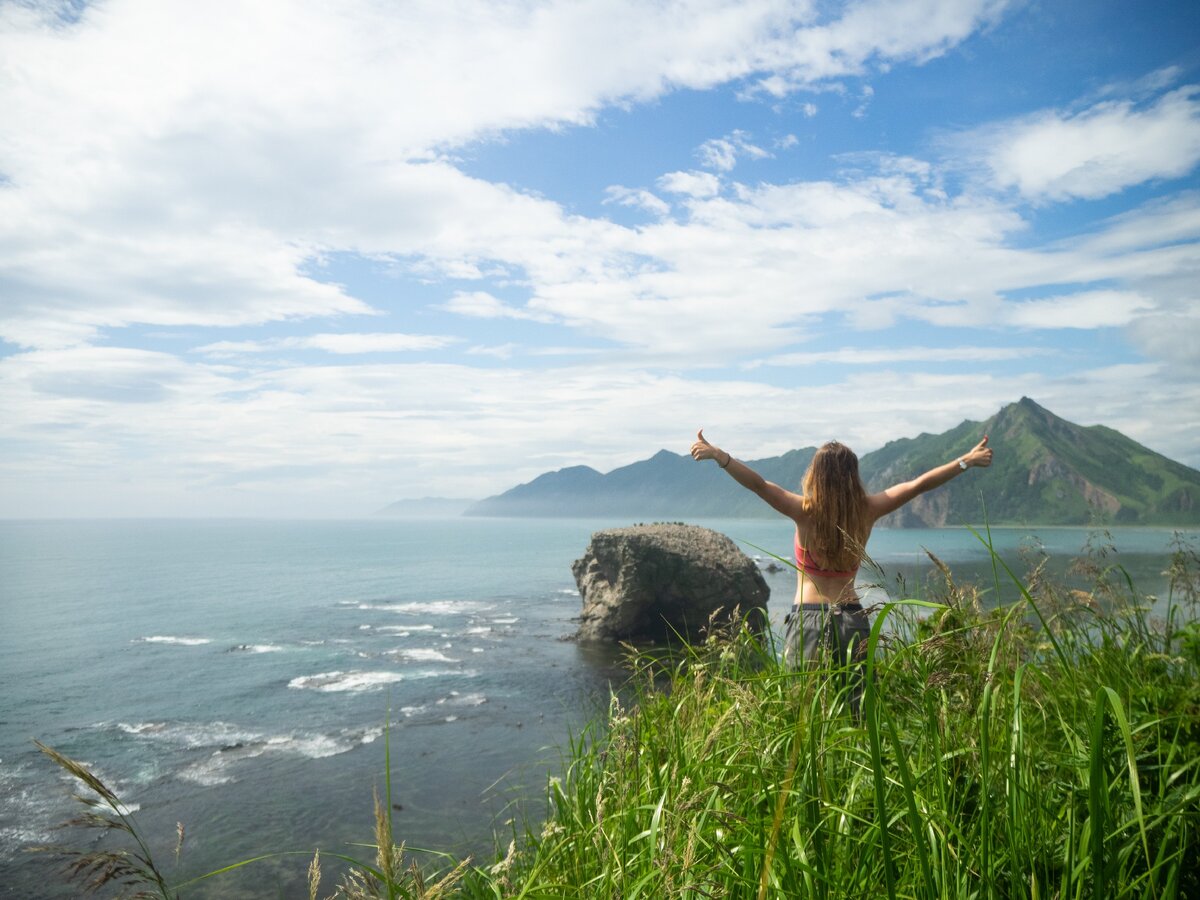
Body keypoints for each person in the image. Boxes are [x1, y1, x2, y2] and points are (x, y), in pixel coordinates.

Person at [689, 429, 993, 712]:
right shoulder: (868, 509)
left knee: (805, 712)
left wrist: (720, 456)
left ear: (815, 476)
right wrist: (966, 461)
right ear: (853, 476)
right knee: (858, 711)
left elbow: (759, 485)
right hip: (853, 618)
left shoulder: (803, 511)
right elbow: (918, 485)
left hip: (808, 618)